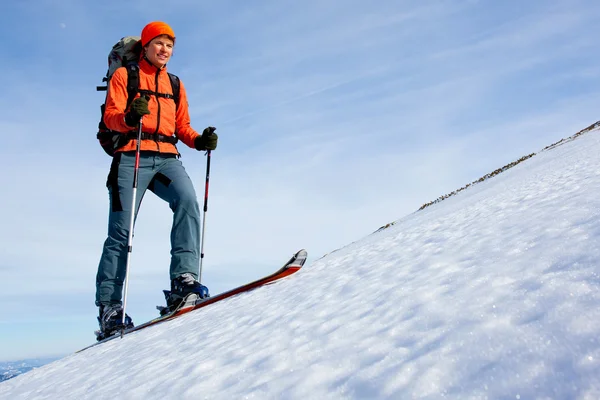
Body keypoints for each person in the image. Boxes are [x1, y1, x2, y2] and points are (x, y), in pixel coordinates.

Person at [95, 21, 218, 338]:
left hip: (166, 157)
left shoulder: (176, 84)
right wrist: (129, 117)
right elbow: (112, 115)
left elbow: (182, 126)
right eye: (159, 44)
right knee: (121, 232)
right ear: (146, 46)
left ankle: (184, 279)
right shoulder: (126, 75)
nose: (164, 50)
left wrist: (198, 141)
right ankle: (110, 307)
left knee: (188, 201)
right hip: (131, 156)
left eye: (170, 45)